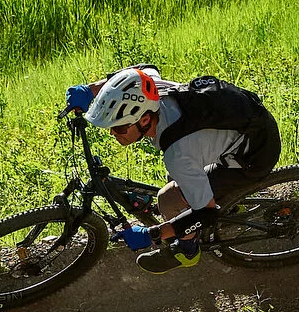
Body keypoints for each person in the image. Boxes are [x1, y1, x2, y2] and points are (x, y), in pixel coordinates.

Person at [65, 66, 281, 272]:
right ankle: (228, 202)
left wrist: (152, 235)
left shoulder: (178, 154)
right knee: (180, 178)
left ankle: (186, 252)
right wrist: (91, 90)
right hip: (249, 123)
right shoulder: (152, 89)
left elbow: (205, 215)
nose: (113, 133)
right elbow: (142, 71)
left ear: (145, 119)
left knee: (168, 199)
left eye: (119, 126)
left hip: (255, 155)